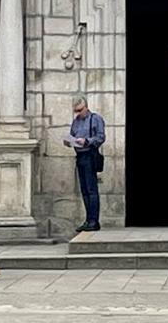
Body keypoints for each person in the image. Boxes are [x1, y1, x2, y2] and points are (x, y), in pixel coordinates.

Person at [64, 96, 105, 232]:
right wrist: (69, 141)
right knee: (84, 190)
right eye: (76, 111)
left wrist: (86, 141)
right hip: (80, 156)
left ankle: (94, 220)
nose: (78, 113)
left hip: (90, 154)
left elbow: (101, 137)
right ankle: (88, 220)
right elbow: (72, 135)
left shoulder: (95, 119)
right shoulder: (76, 121)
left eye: (80, 110)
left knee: (92, 189)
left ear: (86, 107)